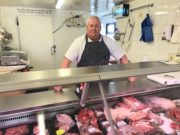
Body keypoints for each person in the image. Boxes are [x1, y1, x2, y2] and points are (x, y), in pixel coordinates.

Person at [54, 16, 135, 91]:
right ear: (87, 27)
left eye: (96, 26)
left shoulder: (108, 41)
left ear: (100, 28)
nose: (94, 28)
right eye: (91, 26)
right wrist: (59, 83)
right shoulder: (78, 42)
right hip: (84, 84)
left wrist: (131, 79)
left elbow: (123, 58)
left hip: (104, 83)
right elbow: (66, 62)